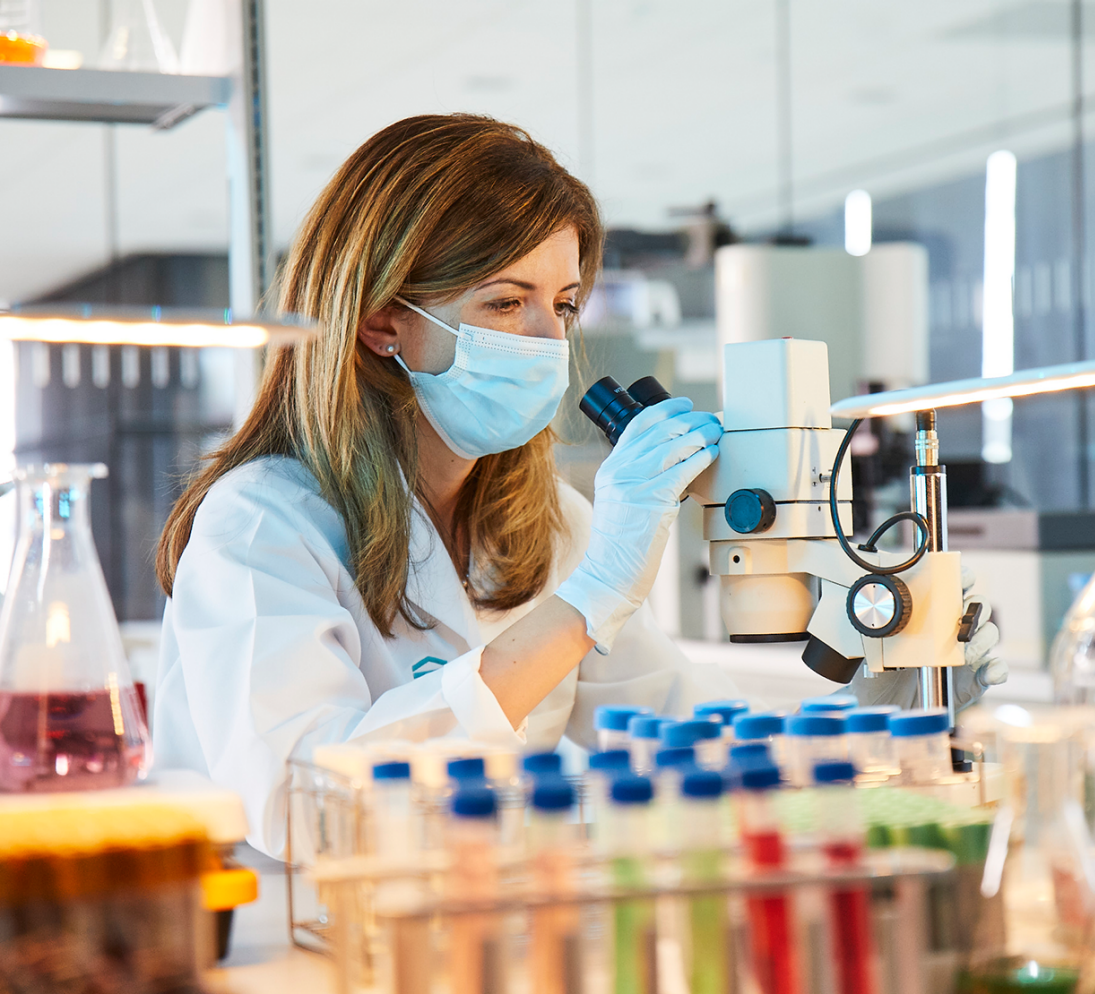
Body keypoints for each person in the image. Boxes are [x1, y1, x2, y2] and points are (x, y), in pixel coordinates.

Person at [151, 115, 734, 855]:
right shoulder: (263, 524)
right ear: (382, 321)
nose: (551, 345)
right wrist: (587, 604)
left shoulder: (550, 520)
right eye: (503, 302)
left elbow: (672, 727)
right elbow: (312, 809)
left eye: (562, 305)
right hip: (289, 946)